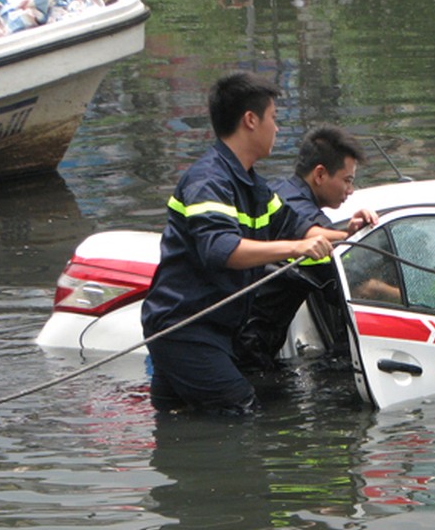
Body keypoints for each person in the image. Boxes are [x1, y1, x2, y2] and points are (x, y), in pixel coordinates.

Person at [141, 72, 333, 416]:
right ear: (250, 120)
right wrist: (296, 249)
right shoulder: (208, 180)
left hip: (210, 332)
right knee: (239, 412)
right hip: (186, 328)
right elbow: (221, 250)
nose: (277, 129)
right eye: (273, 118)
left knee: (180, 422)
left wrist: (354, 231)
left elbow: (297, 228)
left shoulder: (252, 185)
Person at [234, 123, 379, 369]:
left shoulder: (279, 190)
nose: (351, 190)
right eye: (347, 180)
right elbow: (355, 280)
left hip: (243, 330)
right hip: (247, 341)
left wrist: (347, 233)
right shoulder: (297, 208)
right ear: (320, 174)